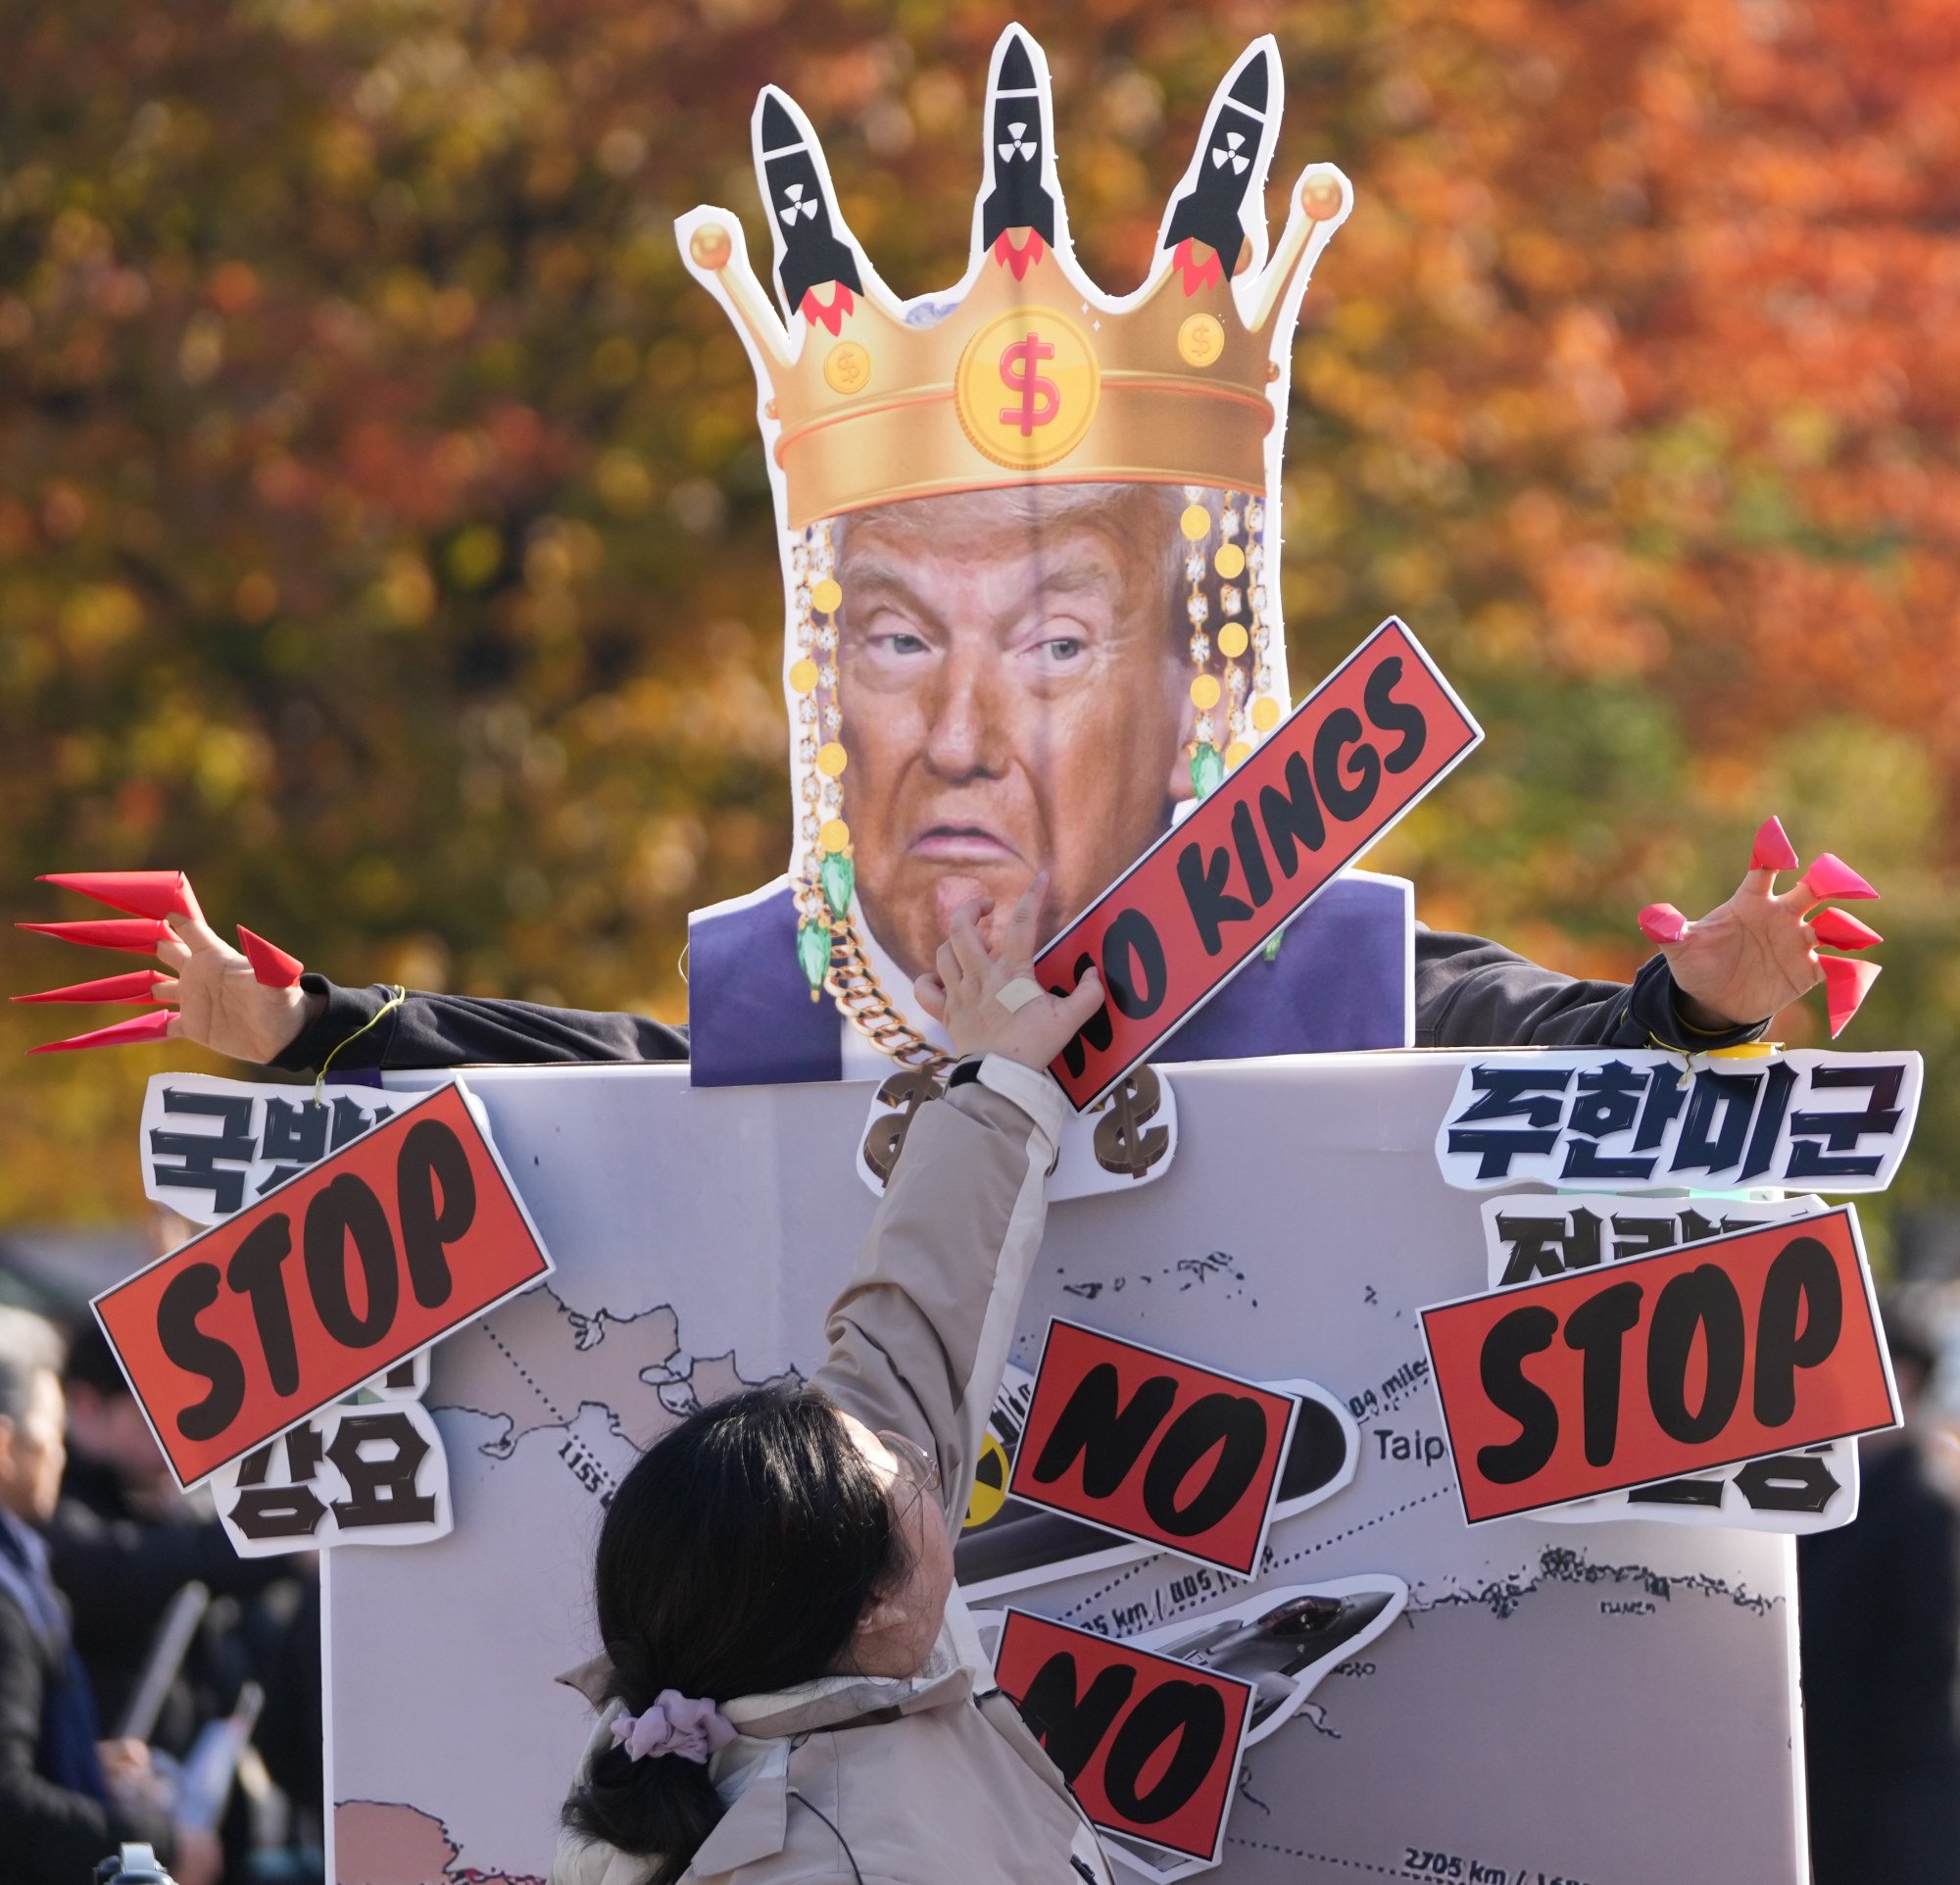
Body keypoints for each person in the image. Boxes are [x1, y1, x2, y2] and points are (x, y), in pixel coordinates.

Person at [552, 879, 1113, 1885]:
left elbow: (906, 1340)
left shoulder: (803, 1656)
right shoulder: (841, 1856)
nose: (918, 1460)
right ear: (873, 1606)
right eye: (909, 1485)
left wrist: (994, 1077)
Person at [0, 1307, 220, 1885]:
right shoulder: (10, 1593)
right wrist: (164, 1845)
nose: (60, 1454)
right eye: (50, 1436)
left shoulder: (25, 1569)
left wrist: (74, 1759)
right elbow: (10, 1807)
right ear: (4, 1444)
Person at [1797, 1308, 1960, 1885]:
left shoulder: (1920, 1503)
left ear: (1903, 1377)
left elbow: (1916, 1664)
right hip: (1834, 1785)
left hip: (1886, 1802)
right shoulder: (1833, 1491)